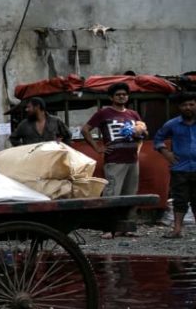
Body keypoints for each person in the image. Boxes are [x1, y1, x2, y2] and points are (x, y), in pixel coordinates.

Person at [82, 82, 146, 238]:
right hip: (115, 160)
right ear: (111, 97)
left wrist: (138, 141)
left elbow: (143, 134)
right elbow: (85, 130)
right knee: (112, 195)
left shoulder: (133, 114)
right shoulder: (104, 113)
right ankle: (108, 228)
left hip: (132, 159)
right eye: (118, 94)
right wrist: (98, 148)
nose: (122, 96)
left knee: (130, 195)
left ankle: (127, 228)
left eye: (124, 94)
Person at [153, 93, 196, 239]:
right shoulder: (172, 124)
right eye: (184, 105)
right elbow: (158, 138)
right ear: (180, 107)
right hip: (180, 169)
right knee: (180, 200)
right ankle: (177, 230)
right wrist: (166, 153)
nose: (188, 107)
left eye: (191, 104)